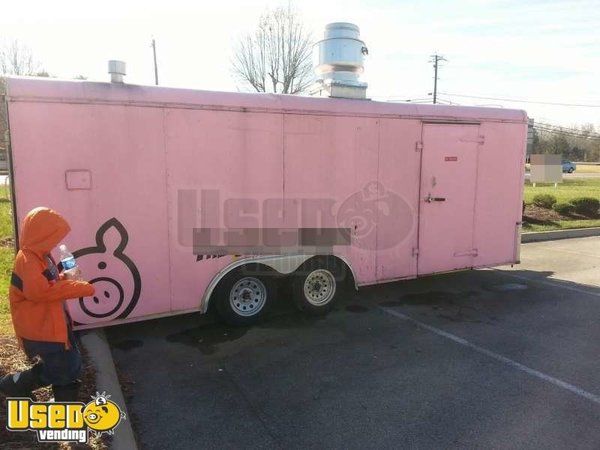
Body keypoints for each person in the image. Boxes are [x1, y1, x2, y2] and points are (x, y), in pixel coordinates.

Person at [0, 207, 95, 401]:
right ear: (40, 234)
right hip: (42, 329)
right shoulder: (27, 260)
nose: (55, 242)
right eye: (52, 236)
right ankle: (15, 385)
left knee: (67, 365)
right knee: (64, 369)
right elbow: (40, 292)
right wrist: (79, 288)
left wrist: (63, 278)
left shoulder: (41, 256)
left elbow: (48, 283)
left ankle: (16, 385)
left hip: (54, 324)